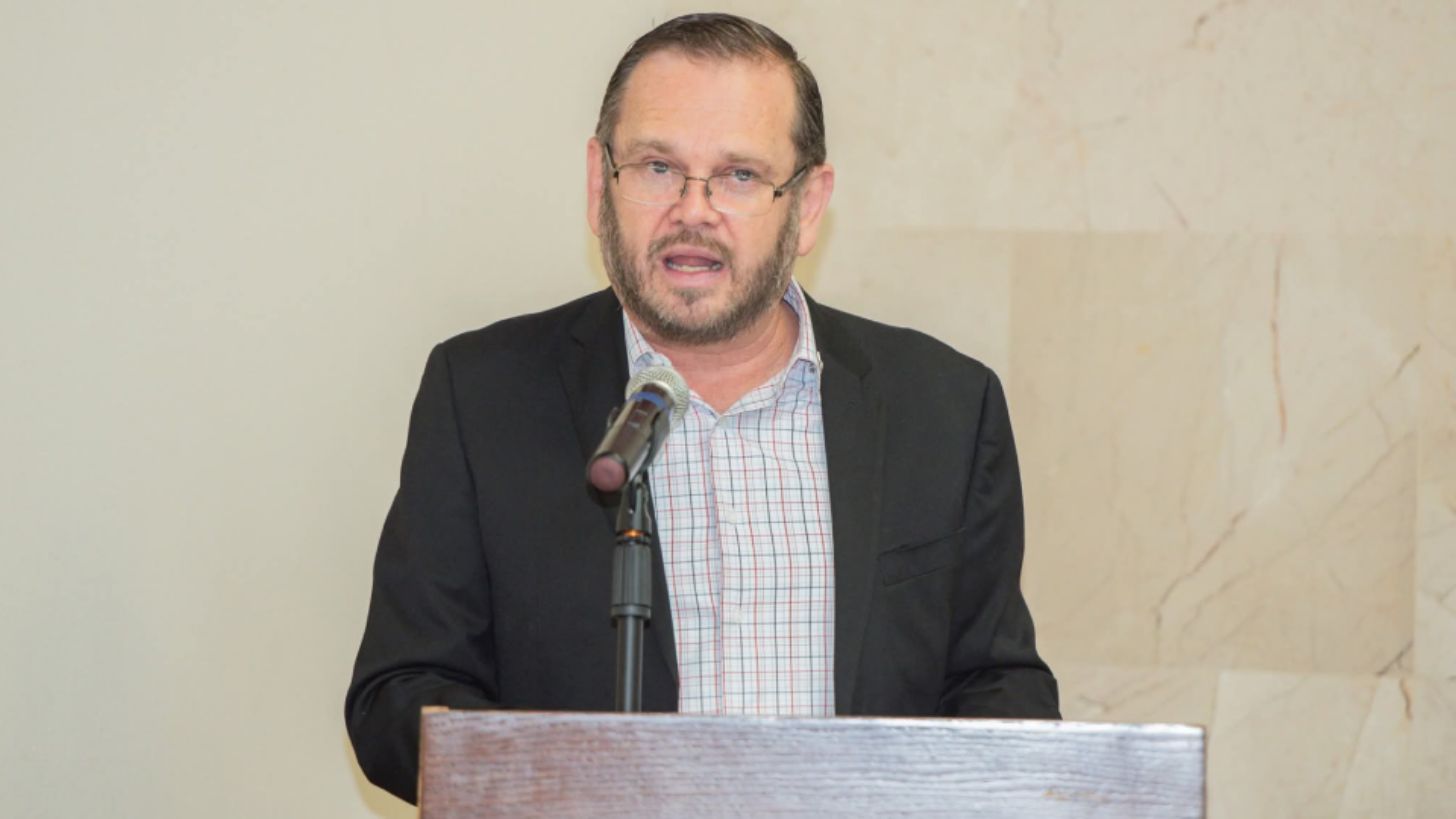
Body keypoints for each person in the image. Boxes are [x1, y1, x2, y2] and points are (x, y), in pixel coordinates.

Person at [346, 12, 1059, 805]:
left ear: (808, 205)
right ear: (599, 184)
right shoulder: (483, 394)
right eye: (658, 167)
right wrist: (575, 788)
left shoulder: (943, 407)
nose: (693, 210)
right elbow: (398, 696)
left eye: (740, 176)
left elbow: (998, 688)